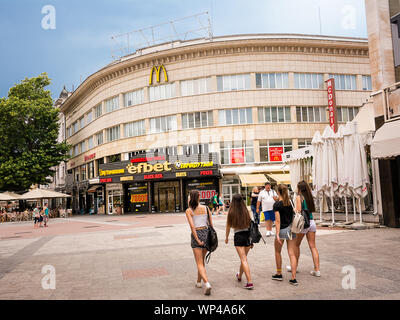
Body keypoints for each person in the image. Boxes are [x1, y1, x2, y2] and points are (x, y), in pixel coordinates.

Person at [287, 181, 320, 277]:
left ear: (300, 188)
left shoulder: (299, 197)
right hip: (311, 222)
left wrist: (293, 209)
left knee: (296, 245)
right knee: (313, 246)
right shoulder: (310, 197)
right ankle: (317, 270)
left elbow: (298, 210)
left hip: (303, 224)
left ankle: (294, 267)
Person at [185, 189, 213, 295]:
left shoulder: (189, 210)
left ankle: (207, 283)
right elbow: (211, 225)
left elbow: (192, 227)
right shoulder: (206, 208)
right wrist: (210, 238)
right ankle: (198, 282)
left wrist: (197, 239)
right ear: (199, 197)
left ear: (190, 198)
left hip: (197, 234)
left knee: (199, 263)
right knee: (201, 262)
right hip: (206, 233)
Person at [225, 194, 254, 290]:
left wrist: (226, 237)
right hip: (248, 236)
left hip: (238, 236)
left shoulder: (231, 212)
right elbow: (251, 225)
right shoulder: (246, 211)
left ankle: (249, 282)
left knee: (244, 259)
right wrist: (252, 239)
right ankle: (239, 275)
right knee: (244, 258)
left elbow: (228, 227)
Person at [272, 184, 299, 286]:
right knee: (292, 253)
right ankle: (293, 277)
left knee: (277, 252)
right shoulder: (290, 202)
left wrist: (277, 234)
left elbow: (278, 221)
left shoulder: (277, 204)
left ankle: (279, 273)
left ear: (278, 192)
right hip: (291, 229)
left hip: (282, 230)